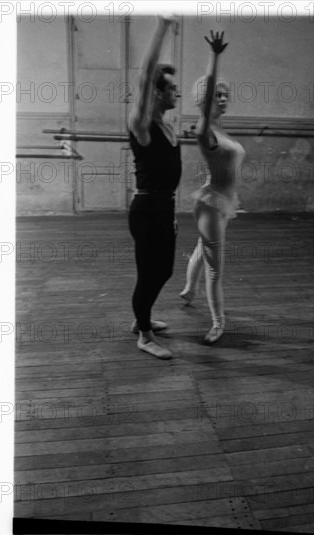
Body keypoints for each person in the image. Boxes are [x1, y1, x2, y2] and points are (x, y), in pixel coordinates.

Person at [180, 31, 246, 344]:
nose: (222, 98)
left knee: (202, 248)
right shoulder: (205, 128)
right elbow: (206, 105)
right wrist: (215, 57)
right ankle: (217, 322)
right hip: (211, 204)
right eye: (215, 95)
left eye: (224, 94)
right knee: (215, 268)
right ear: (204, 99)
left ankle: (189, 289)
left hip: (222, 199)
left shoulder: (220, 129)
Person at [128, 16, 181, 359]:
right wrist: (163, 27)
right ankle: (144, 334)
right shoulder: (142, 125)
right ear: (157, 93)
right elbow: (146, 74)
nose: (176, 92)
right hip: (146, 210)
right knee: (150, 274)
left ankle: (140, 319)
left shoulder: (168, 127)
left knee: (165, 270)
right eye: (171, 88)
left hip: (165, 208)